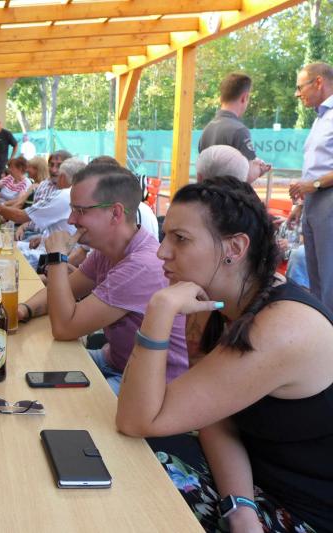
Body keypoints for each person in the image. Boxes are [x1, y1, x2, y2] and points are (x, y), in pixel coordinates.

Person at [116, 176, 333, 533]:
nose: (161, 252)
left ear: (235, 247)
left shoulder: (280, 327)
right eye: (165, 235)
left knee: (130, 469)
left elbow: (134, 419)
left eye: (180, 239)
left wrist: (159, 311)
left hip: (305, 512)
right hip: (251, 484)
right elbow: (216, 418)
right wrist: (239, 504)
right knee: (122, 454)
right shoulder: (216, 303)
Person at [19, 163, 188, 394]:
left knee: (57, 401)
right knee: (30, 368)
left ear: (115, 213)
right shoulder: (106, 252)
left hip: (151, 384)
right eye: (72, 209)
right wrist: (23, 310)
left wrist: (57, 259)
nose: (71, 220)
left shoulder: (141, 266)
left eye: (80, 211)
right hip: (115, 360)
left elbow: (64, 328)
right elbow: (66, 291)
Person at [0, 158, 86, 268]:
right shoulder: (75, 195)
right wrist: (43, 238)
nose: (53, 170)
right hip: (50, 250)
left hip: (50, 257)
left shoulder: (64, 195)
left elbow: (20, 216)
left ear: (62, 177)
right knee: (3, 247)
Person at [289, 62, 333, 312]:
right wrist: (301, 203)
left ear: (318, 82)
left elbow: (317, 177)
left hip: (328, 201)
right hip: (315, 203)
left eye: (300, 87)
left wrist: (313, 185)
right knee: (316, 279)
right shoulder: (321, 118)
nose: (297, 94)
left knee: (329, 281)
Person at [198, 73, 271, 182]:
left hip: (206, 191)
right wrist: (260, 169)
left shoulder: (207, 130)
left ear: (221, 98)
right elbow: (246, 176)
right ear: (244, 97)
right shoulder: (239, 131)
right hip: (229, 192)